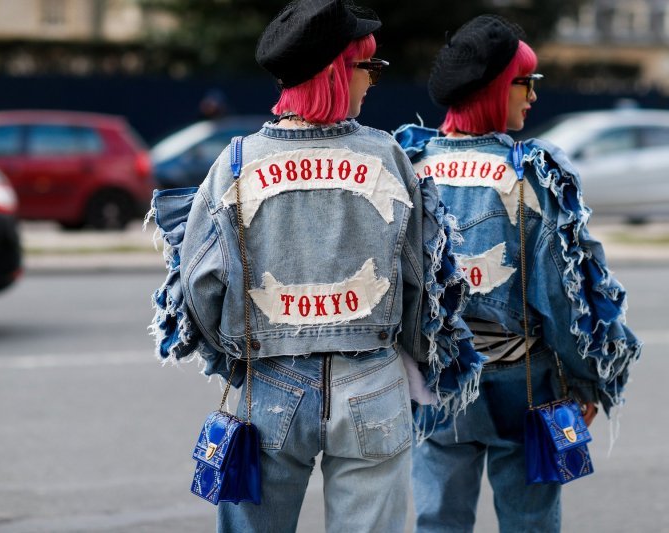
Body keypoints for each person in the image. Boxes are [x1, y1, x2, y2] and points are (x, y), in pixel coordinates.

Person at [147, 1, 483, 532]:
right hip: (372, 380)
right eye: (368, 68)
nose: (373, 83)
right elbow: (424, 281)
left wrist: (242, 352)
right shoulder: (388, 155)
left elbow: (200, 284)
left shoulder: (235, 162)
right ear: (335, 72)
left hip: (268, 385)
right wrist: (421, 358)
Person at [394, 15, 642, 532]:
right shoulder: (533, 173)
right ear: (494, 90)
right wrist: (585, 382)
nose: (532, 96)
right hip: (523, 380)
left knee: (438, 517)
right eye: (525, 83)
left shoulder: (410, 166)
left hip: (439, 376)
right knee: (530, 520)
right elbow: (566, 296)